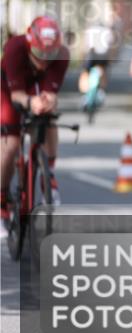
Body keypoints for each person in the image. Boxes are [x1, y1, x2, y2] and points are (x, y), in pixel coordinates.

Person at [1, 16, 70, 223]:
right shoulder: (15, 48)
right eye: (40, 53)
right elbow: (18, 96)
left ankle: (48, 171)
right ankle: (2, 198)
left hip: (35, 87)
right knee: (10, 144)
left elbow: (51, 93)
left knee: (48, 118)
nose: (45, 60)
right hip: (8, 90)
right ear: (31, 44)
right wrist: (30, 103)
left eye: (51, 54)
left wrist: (47, 102)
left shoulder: (63, 55)